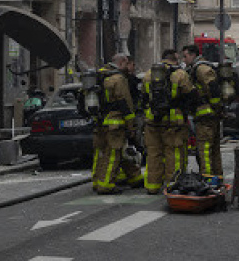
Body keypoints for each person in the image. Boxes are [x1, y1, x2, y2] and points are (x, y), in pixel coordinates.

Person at [141, 49, 197, 194]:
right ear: (175, 59)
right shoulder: (180, 74)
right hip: (173, 121)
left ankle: (152, 186)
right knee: (174, 153)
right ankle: (173, 185)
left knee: (153, 153)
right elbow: (191, 95)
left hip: (152, 120)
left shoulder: (148, 74)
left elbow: (144, 97)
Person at [90, 54, 143, 194]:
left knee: (100, 153)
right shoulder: (119, 79)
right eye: (126, 63)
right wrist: (131, 126)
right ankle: (106, 185)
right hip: (115, 123)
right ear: (122, 62)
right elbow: (125, 103)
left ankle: (97, 182)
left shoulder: (99, 76)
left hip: (100, 123)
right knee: (112, 155)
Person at [182, 44, 223, 177]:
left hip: (206, 115)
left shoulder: (201, 69)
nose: (184, 60)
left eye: (185, 56)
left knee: (204, 149)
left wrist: (216, 107)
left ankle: (208, 177)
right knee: (213, 149)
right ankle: (217, 177)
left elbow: (213, 87)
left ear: (193, 55)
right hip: (208, 115)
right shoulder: (196, 69)